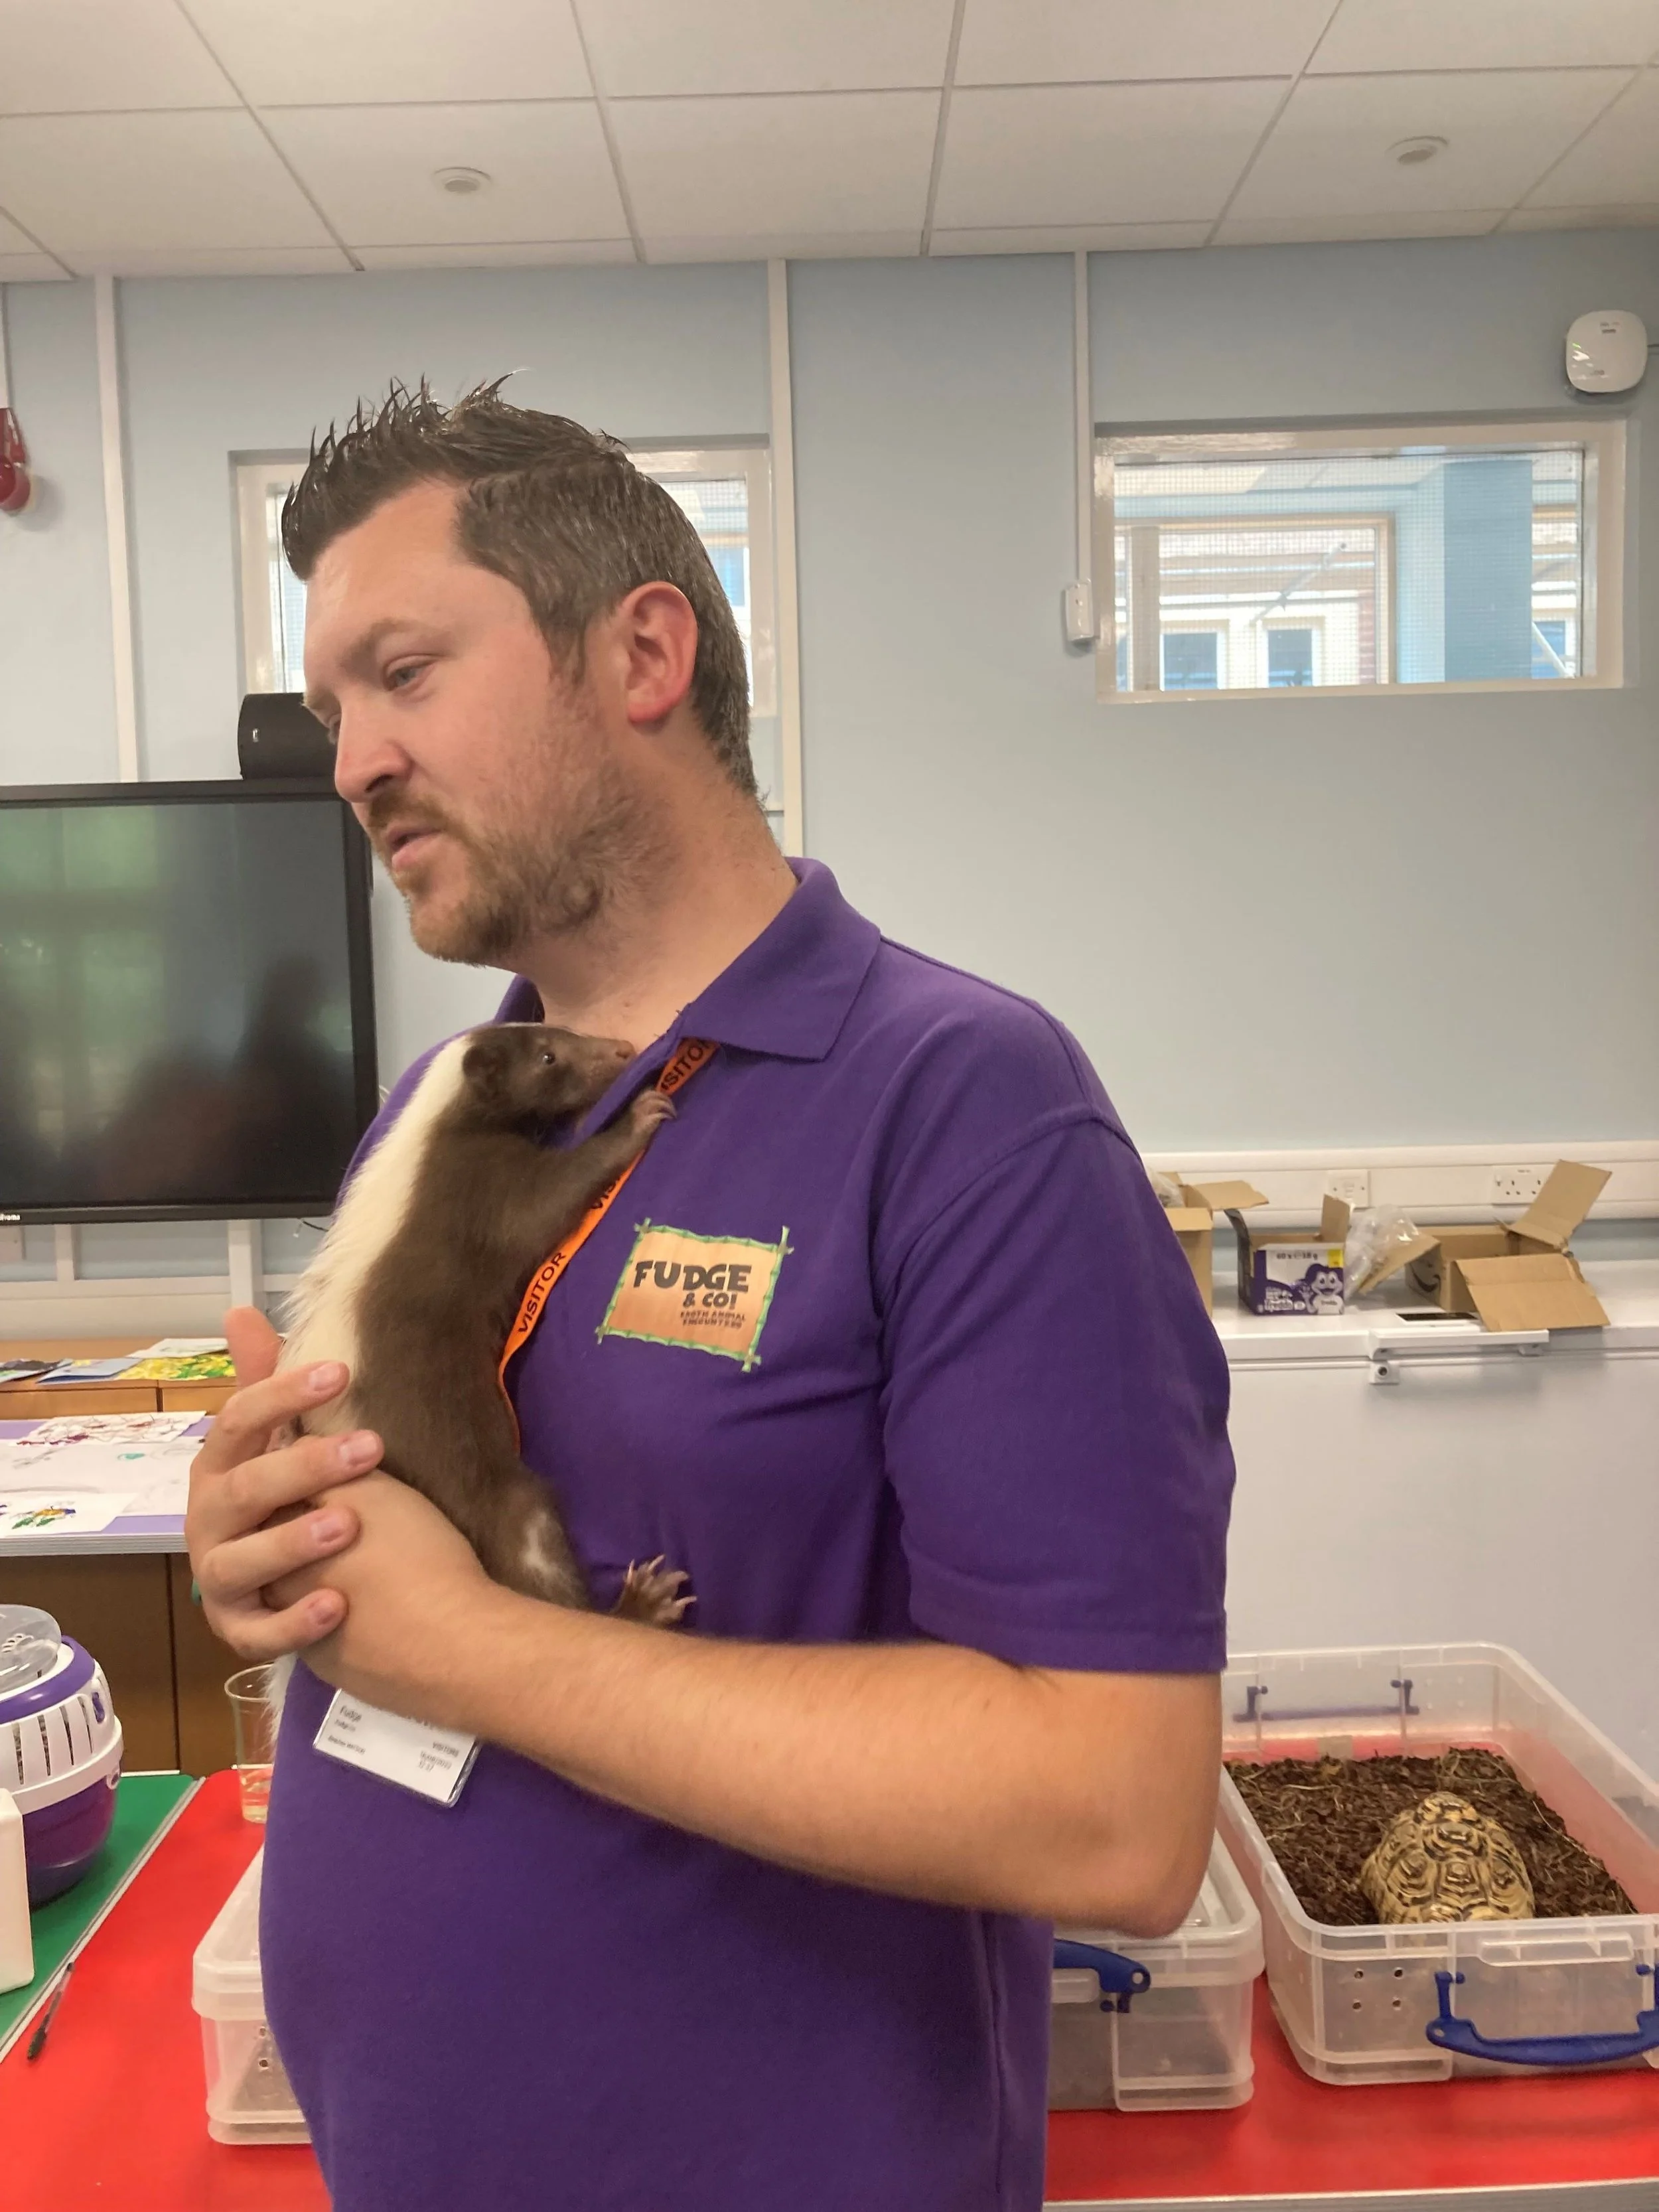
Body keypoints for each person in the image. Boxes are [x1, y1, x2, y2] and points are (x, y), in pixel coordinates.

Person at [187, 384, 1233, 2212]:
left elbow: (1114, 1805)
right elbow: (386, 1562)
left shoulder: (966, 1103)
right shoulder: (444, 1106)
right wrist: (268, 1551)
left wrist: (467, 1646)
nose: (350, 759)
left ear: (641, 651)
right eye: (335, 703)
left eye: (404, 671)